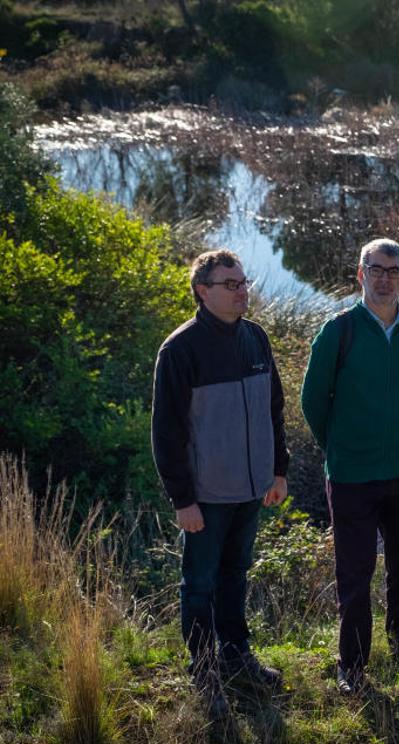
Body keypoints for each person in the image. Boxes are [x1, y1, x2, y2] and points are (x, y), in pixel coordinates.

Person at [152, 248, 289, 718]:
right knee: (200, 584)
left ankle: (236, 656)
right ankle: (204, 671)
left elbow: (275, 409)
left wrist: (278, 470)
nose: (242, 291)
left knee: (235, 576)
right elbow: (166, 433)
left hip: (252, 488)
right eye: (230, 285)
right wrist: (182, 499)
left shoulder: (256, 339)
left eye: (244, 282)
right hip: (206, 497)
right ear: (201, 290)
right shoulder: (180, 349)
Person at [300, 238, 399, 694]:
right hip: (352, 476)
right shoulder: (338, 331)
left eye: (393, 270)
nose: (384, 278)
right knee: (355, 573)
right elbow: (313, 402)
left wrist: (397, 439)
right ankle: (352, 664)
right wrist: (342, 446)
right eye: (375, 269)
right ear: (360, 274)